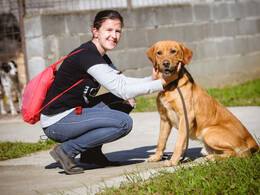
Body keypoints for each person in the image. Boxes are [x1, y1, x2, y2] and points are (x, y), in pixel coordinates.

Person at [41, 10, 179, 175]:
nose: (114, 35)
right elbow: (122, 89)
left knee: (125, 101)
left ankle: (91, 154)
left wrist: (152, 80)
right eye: (109, 30)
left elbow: (123, 82)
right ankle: (67, 151)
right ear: (95, 31)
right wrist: (162, 84)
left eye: (118, 31)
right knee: (123, 123)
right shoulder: (88, 56)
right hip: (58, 122)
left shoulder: (100, 56)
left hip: (74, 114)